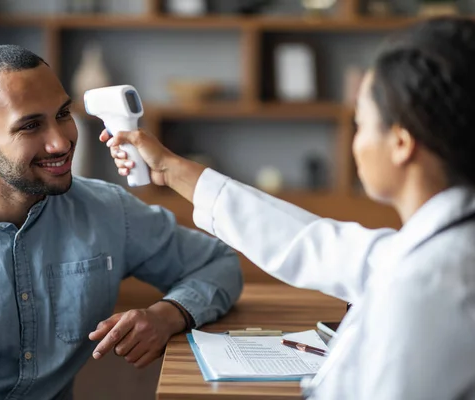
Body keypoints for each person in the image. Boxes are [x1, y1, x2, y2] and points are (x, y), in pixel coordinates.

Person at [102, 17, 475, 400]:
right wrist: (170, 168)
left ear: (400, 143)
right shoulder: (439, 247)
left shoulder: (426, 289)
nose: (355, 142)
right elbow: (313, 243)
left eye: (361, 124)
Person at [0, 45, 243, 400]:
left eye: (63, 114)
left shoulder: (105, 208)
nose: (60, 142)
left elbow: (218, 263)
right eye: (31, 125)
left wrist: (169, 315)